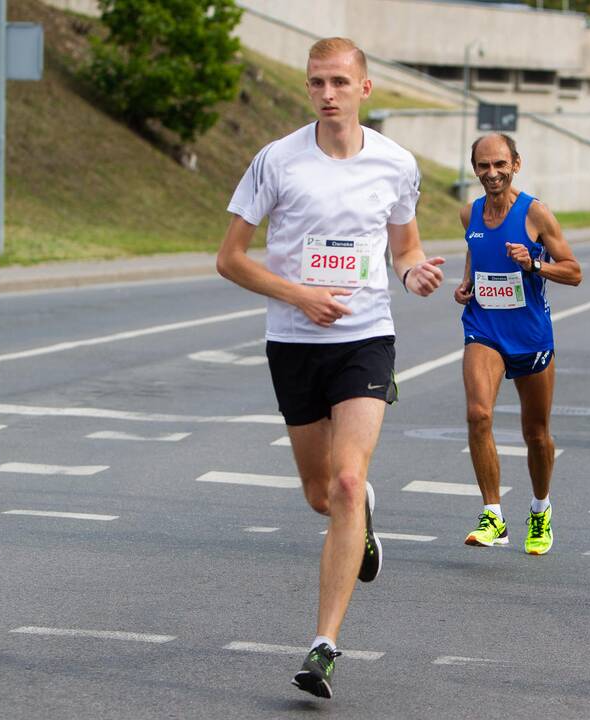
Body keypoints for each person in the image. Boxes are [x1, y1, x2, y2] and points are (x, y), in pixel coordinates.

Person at [216, 37, 445, 700]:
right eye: (317, 82)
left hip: (365, 337)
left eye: (340, 82)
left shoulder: (396, 164)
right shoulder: (277, 161)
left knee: (346, 480)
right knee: (323, 496)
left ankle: (324, 646)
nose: (327, 94)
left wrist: (414, 271)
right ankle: (361, 513)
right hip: (293, 340)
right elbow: (230, 259)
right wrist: (299, 295)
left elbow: (404, 245)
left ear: (365, 89)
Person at [453, 133, 582, 556]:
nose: (492, 173)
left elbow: (574, 271)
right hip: (484, 328)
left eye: (499, 165)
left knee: (537, 434)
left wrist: (534, 263)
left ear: (516, 164)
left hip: (529, 336)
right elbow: (476, 251)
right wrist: (468, 282)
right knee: (477, 415)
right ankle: (493, 514)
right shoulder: (469, 212)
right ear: (475, 169)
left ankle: (540, 509)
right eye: (483, 166)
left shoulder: (535, 214)